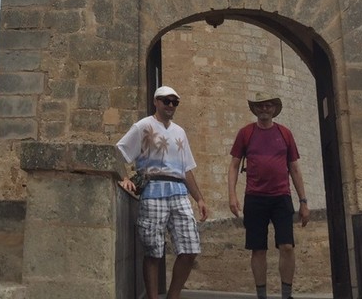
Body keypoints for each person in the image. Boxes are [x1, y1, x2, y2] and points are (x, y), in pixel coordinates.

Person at [116, 85, 210, 299]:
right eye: (166, 101)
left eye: (174, 102)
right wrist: (123, 178)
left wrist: (199, 199)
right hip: (153, 190)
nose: (170, 105)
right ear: (156, 102)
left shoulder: (180, 132)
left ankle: (173, 296)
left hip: (178, 191)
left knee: (190, 247)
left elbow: (186, 169)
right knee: (153, 250)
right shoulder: (143, 126)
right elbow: (119, 152)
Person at [227, 92, 310, 299]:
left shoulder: (285, 134)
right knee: (258, 249)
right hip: (254, 197)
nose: (264, 109)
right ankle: (261, 295)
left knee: (287, 246)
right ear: (255, 109)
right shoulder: (246, 133)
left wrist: (303, 201)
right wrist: (232, 196)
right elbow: (234, 166)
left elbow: (294, 168)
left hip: (281, 196)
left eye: (268, 106)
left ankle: (286, 294)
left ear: (274, 109)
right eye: (260, 106)